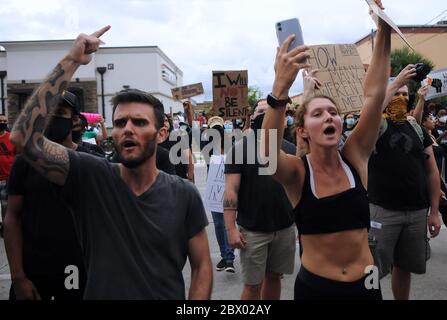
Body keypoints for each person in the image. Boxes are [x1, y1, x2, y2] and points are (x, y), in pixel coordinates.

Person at [9, 26, 212, 300]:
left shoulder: (184, 195)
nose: (127, 129)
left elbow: (201, 266)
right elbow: (23, 138)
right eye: (119, 123)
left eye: (139, 122)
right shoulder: (90, 176)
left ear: (161, 133)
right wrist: (71, 60)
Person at [260, 0, 390, 300]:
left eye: (333, 112)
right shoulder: (296, 172)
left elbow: (374, 93)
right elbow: (265, 155)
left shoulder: (355, 157)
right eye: (317, 114)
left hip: (367, 284)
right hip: (318, 289)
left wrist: (383, 28)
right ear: (302, 130)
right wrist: (280, 89)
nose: (329, 116)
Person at [368, 65, 442, 300]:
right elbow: (370, 114)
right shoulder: (377, 127)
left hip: (416, 212)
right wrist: (395, 81)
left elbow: (432, 173)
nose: (400, 97)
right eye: (395, 93)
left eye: (403, 94)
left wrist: (434, 211)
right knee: (372, 268)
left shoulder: (416, 129)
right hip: (383, 212)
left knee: (404, 266)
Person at [4, 92, 87, 300]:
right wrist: (18, 277)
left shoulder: (90, 161)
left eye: (60, 112)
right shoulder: (25, 162)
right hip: (34, 271)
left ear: (75, 119)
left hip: (78, 270)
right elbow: (12, 218)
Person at [224, 101, 297, 300]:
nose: (266, 115)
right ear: (253, 117)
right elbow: (231, 190)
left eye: (272, 111)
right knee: (253, 286)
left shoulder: (291, 149)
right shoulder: (239, 149)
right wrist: (230, 229)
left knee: (274, 278)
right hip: (253, 231)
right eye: (261, 111)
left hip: (284, 228)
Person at [204, 116, 235, 273]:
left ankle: (229, 258)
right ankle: (224, 255)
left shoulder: (231, 145)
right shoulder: (207, 148)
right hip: (214, 191)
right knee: (218, 224)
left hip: (228, 188)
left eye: (219, 129)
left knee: (227, 222)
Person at [0, 114, 15, 237]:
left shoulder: (11, 138)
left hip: (7, 177)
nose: (3, 123)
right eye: (1, 121)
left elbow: (17, 156)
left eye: (5, 121)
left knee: (6, 205)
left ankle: (5, 228)